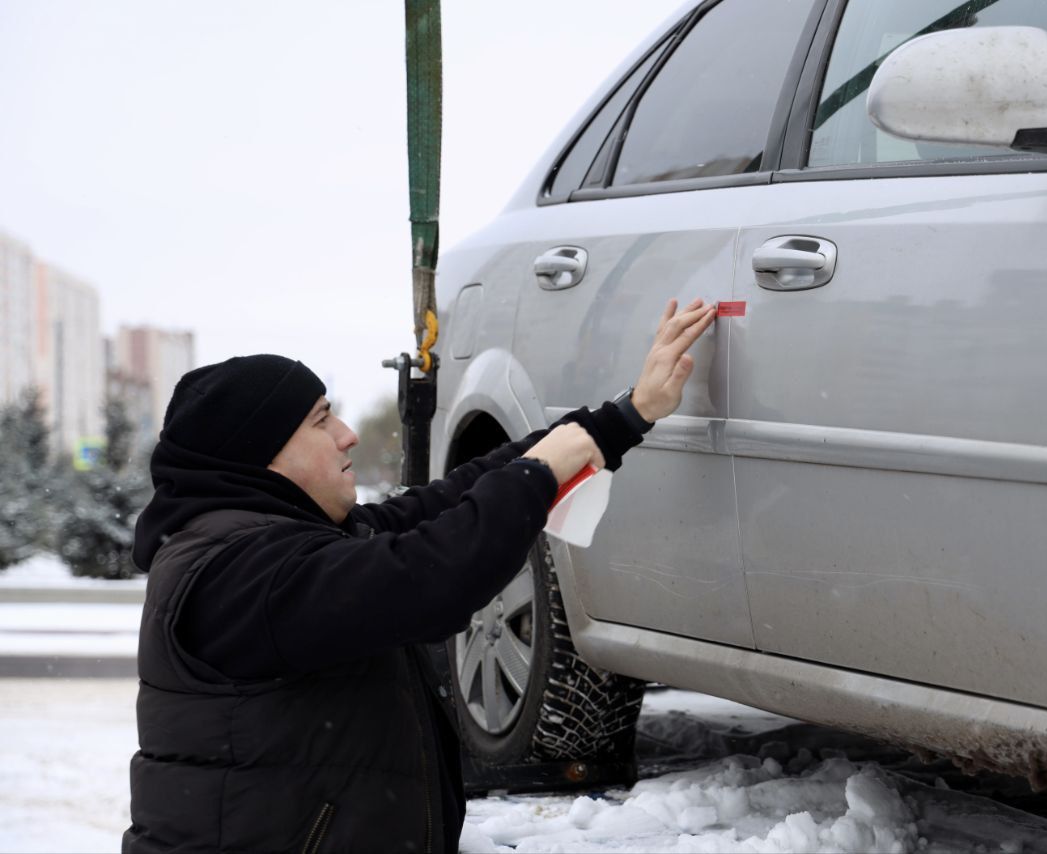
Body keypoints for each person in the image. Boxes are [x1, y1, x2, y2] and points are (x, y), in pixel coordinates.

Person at [122, 298, 718, 853]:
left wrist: (621, 417)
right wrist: (536, 477)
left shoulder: (279, 543)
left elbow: (444, 503)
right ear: (262, 453)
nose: (347, 434)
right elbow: (429, 579)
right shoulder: (235, 576)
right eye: (321, 419)